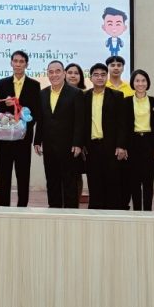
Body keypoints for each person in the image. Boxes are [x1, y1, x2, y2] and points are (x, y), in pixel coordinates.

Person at [34, 60, 86, 208]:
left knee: (70, 182)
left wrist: (78, 143)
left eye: (58, 71)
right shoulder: (42, 94)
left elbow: (80, 121)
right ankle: (54, 211)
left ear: (64, 73)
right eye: (51, 72)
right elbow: (41, 120)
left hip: (69, 147)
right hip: (49, 146)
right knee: (52, 181)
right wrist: (37, 141)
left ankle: (71, 214)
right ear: (47, 74)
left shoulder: (75, 93)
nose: (54, 75)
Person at [0, 50, 41, 207]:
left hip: (23, 137)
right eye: (15, 61)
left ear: (26, 64)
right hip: (6, 136)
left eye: (21, 61)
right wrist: (5, 104)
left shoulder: (34, 85)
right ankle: (3, 207)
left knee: (23, 174)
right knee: (4, 174)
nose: (18, 64)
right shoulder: (3, 82)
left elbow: (36, 112)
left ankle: (22, 207)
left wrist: (24, 124)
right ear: (11, 63)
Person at [80, 62, 126, 210]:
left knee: (113, 183)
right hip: (92, 147)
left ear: (107, 76)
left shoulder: (117, 96)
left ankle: (113, 215)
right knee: (94, 183)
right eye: (96, 75)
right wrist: (82, 144)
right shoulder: (84, 97)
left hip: (112, 147)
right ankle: (95, 214)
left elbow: (122, 123)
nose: (99, 77)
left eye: (103, 75)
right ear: (90, 77)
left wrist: (121, 145)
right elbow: (81, 123)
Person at [122, 69, 154, 211]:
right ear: (132, 83)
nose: (140, 83)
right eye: (137, 81)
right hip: (132, 143)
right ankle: (137, 211)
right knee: (134, 180)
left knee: (148, 181)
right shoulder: (126, 101)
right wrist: (123, 146)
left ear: (147, 82)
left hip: (149, 143)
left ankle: (148, 211)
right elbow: (123, 126)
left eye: (143, 80)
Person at [64, 62, 88, 204]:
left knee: (76, 174)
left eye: (76, 73)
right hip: (61, 141)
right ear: (64, 74)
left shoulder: (86, 95)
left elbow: (85, 121)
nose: (73, 76)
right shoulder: (57, 93)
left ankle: (74, 205)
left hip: (79, 143)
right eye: (70, 72)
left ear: (81, 77)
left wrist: (81, 142)